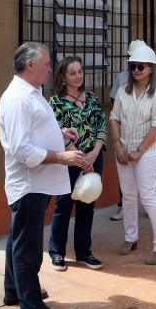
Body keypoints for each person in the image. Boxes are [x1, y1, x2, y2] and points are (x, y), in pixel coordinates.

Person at [0, 42, 86, 309]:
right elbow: (21, 149)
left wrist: (60, 133)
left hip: (36, 183)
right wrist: (61, 157)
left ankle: (15, 290)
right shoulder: (18, 98)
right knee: (28, 248)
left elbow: (34, 131)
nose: (50, 69)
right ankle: (32, 307)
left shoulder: (31, 92)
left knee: (18, 240)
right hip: (29, 185)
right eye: (46, 64)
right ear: (30, 65)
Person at [110, 41, 156, 265]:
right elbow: (114, 118)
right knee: (128, 196)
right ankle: (130, 238)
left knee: (148, 197)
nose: (136, 70)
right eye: (133, 66)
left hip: (147, 152)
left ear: (151, 68)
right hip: (124, 150)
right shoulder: (123, 90)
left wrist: (139, 151)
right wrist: (118, 146)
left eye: (141, 66)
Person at [47, 56, 107, 272]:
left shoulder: (91, 98)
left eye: (80, 71)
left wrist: (94, 154)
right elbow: (56, 131)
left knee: (87, 205)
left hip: (93, 158)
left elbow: (101, 126)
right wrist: (79, 158)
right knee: (64, 206)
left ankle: (84, 252)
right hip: (69, 160)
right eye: (72, 73)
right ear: (63, 77)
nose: (78, 76)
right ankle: (57, 252)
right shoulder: (55, 102)